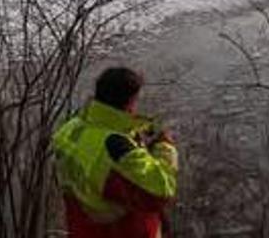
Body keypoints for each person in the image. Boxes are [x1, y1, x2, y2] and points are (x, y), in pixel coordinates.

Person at [52, 67, 178, 238]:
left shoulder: (70, 129)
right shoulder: (115, 148)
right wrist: (165, 146)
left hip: (83, 228)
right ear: (130, 102)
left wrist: (136, 131)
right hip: (119, 230)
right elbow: (161, 191)